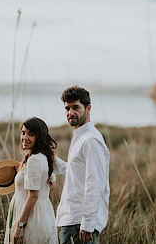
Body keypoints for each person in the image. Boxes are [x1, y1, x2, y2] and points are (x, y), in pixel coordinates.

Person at [54, 86, 110, 244]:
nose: (70, 112)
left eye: (76, 107)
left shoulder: (90, 140)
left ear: (88, 108)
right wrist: (54, 162)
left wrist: (87, 222)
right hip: (72, 220)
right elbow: (77, 173)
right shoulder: (81, 136)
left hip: (79, 223)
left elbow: (95, 182)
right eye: (67, 108)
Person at [4, 117, 60, 244]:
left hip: (31, 218)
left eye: (31, 134)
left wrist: (20, 226)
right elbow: (48, 188)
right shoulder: (43, 157)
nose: (25, 137)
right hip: (41, 214)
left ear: (39, 137)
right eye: (23, 133)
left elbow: (33, 196)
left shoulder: (35, 160)